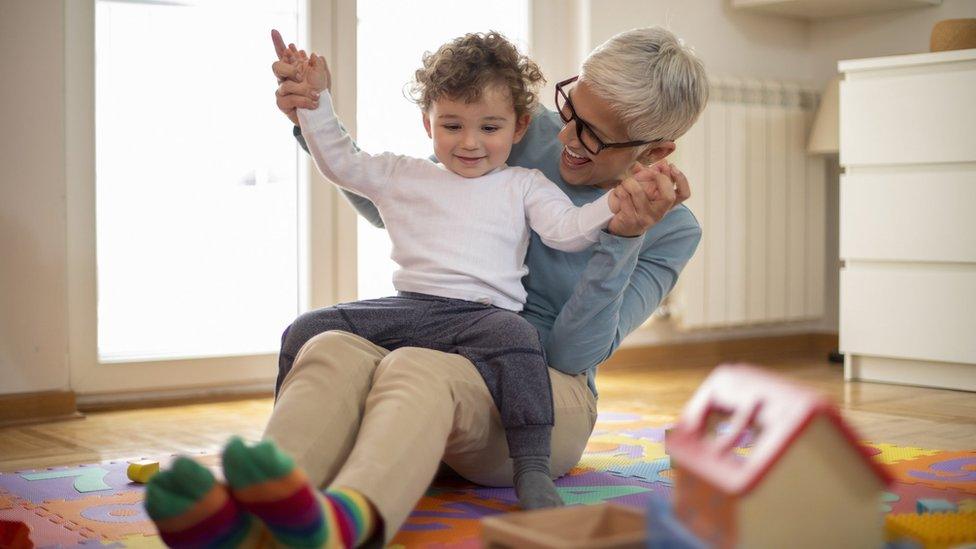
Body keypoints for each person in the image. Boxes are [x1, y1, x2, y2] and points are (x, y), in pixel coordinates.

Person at [145, 26, 707, 549]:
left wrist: (624, 236)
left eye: (590, 133)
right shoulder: (516, 124)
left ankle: (350, 523)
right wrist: (309, 121)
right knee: (329, 345)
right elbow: (410, 204)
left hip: (540, 388)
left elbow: (571, 352)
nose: (562, 134)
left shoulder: (672, 230)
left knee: (416, 366)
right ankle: (250, 515)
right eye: (569, 108)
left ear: (654, 152)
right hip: (439, 330)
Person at [282, 31, 636, 510]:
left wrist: (616, 203)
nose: (470, 143)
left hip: (484, 319)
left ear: (519, 127)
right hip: (410, 309)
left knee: (522, 343)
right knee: (307, 328)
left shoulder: (525, 185)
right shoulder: (402, 173)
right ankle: (288, 461)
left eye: (489, 128)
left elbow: (568, 230)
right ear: (428, 125)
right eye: (452, 125)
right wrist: (317, 102)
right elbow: (341, 161)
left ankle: (531, 469)